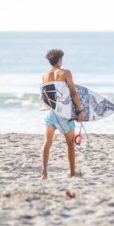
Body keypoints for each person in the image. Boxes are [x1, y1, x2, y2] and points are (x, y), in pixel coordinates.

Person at [41, 49, 84, 179]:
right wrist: (80, 111)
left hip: (50, 113)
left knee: (47, 142)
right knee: (70, 144)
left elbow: (47, 96)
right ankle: (72, 173)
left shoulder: (44, 75)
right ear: (59, 60)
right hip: (64, 114)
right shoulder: (65, 73)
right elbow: (73, 93)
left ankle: (44, 173)